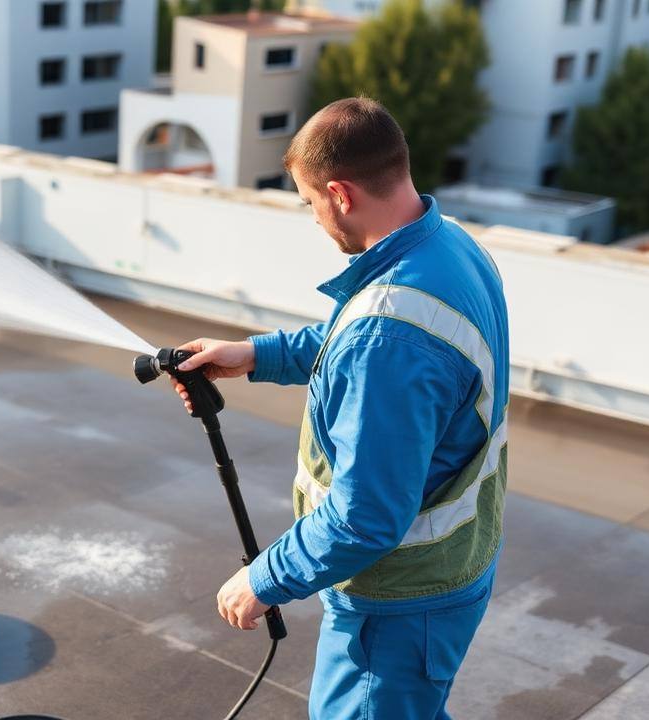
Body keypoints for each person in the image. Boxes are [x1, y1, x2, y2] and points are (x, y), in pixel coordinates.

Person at [170, 97, 509, 720]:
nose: (316, 219)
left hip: (398, 599)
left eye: (310, 203)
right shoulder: (447, 248)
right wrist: (253, 354)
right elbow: (354, 336)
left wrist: (263, 578)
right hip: (448, 570)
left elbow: (365, 518)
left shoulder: (389, 333)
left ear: (341, 195)